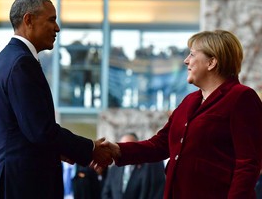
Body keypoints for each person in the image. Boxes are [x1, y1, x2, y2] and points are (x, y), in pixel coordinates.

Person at [100, 30, 262, 199]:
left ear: (212, 62)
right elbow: (160, 145)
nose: (186, 61)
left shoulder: (242, 97)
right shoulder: (189, 101)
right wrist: (118, 150)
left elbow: (248, 164)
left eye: (192, 54)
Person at [0, 0, 112, 199]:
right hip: (21, 186)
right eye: (51, 20)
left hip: (2, 181)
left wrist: (57, 151)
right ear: (29, 20)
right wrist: (90, 148)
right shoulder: (22, 64)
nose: (57, 28)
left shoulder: (0, 62)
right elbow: (41, 131)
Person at [102, 133, 165, 199]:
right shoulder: (114, 169)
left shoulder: (151, 168)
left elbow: (157, 193)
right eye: (123, 147)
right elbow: (106, 193)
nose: (126, 152)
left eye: (129, 148)